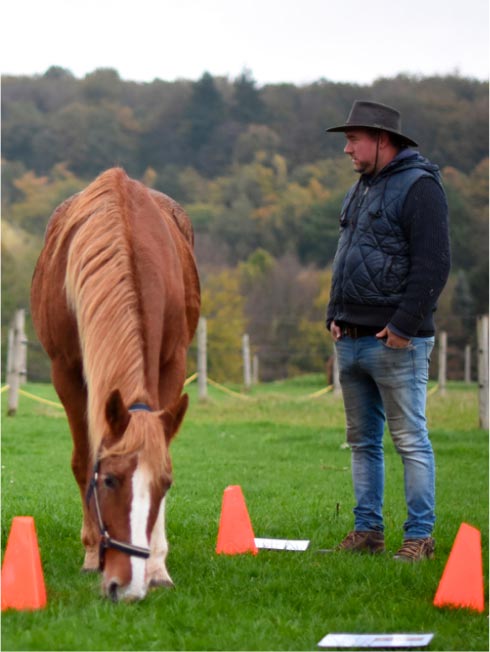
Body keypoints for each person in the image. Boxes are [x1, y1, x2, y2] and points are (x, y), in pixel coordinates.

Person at [325, 100, 451, 561]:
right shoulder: (360, 189)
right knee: (361, 443)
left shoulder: (420, 188)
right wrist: (334, 316)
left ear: (382, 140)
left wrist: (402, 326)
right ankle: (368, 533)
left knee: (410, 441)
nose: (346, 149)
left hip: (396, 341)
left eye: (353, 139)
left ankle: (420, 537)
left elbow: (434, 265)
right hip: (351, 338)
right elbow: (348, 260)